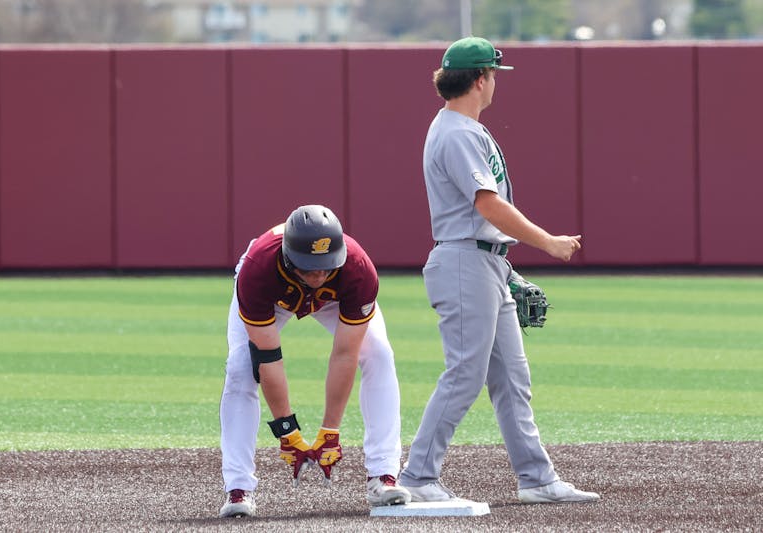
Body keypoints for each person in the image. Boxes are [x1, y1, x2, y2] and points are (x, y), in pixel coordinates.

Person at [398, 37, 601, 505]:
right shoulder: (457, 132)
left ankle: (537, 478)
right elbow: (487, 204)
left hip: (483, 260)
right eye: (492, 74)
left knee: (511, 376)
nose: (494, 84)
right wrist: (548, 242)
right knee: (465, 373)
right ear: (478, 78)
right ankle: (417, 477)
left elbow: (485, 215)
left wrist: (503, 267)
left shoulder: (463, 127)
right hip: (466, 259)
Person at [218, 204, 411, 518]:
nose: (319, 274)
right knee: (241, 368)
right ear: (289, 258)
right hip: (274, 297)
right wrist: (288, 432)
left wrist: (330, 432)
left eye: (326, 266)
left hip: (332, 301)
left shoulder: (357, 268)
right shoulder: (259, 270)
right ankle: (239, 489)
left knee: (378, 353)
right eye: (309, 267)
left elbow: (345, 353)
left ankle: (383, 476)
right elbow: (268, 358)